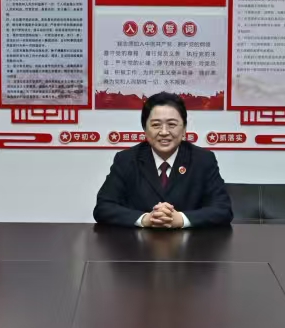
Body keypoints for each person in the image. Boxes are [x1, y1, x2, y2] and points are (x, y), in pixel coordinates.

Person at [92, 92, 233, 228]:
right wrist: (145, 219)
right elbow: (103, 207)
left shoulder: (203, 160)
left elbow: (223, 209)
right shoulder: (126, 159)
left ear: (184, 129)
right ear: (145, 129)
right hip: (136, 242)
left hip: (191, 242)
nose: (164, 132)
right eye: (156, 125)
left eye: (171, 124)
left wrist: (181, 219)